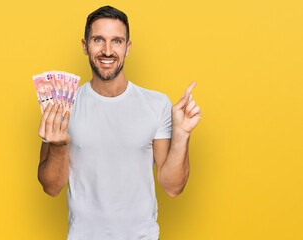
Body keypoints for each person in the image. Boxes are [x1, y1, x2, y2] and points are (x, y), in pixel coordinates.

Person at [37, 5, 202, 240]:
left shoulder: (157, 104)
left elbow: (172, 187)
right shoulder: (63, 105)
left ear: (127, 48)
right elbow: (51, 188)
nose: (107, 51)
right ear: (85, 46)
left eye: (117, 41)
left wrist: (182, 134)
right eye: (98, 40)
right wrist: (59, 145)